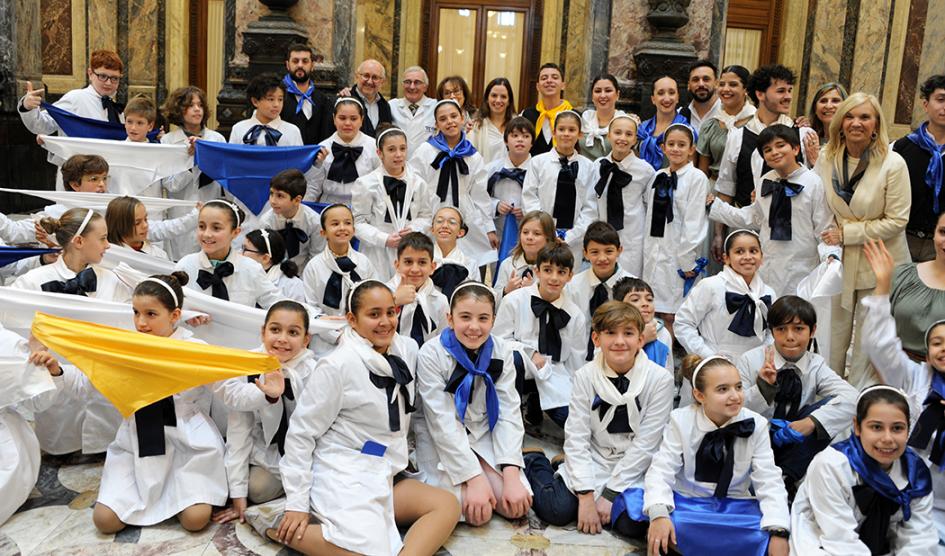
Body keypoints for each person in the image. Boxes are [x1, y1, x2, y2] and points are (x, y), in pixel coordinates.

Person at [274, 280, 460, 555]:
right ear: (352, 319)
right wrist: (297, 503)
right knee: (366, 550)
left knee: (447, 505)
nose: (385, 322)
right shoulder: (337, 365)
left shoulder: (406, 349)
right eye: (373, 314)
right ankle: (274, 524)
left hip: (386, 467)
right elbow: (302, 435)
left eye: (390, 312)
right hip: (344, 470)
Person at [46, 273, 227, 534]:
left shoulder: (195, 348)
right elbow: (85, 384)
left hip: (188, 442)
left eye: (151, 314)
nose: (141, 323)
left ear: (175, 315)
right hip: (138, 442)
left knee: (195, 521)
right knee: (105, 522)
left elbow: (227, 388)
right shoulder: (124, 347)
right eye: (135, 312)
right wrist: (57, 370)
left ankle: (188, 493)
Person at [525, 301, 674, 539]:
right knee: (558, 510)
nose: (619, 341)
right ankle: (535, 461)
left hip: (635, 464)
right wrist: (585, 496)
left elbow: (647, 444)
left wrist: (610, 494)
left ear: (640, 339)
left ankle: (569, 471)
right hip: (595, 457)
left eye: (628, 333)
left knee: (631, 524)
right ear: (596, 339)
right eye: (610, 333)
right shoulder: (586, 376)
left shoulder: (660, 380)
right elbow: (576, 435)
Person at [644, 355, 791, 556]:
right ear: (699, 395)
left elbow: (769, 479)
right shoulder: (681, 420)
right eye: (723, 389)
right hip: (689, 504)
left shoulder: (755, 424)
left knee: (763, 533)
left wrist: (778, 530)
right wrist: (659, 515)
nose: (735, 396)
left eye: (738, 387)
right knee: (658, 519)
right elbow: (662, 470)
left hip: (735, 507)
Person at [415, 282, 533, 525]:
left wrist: (510, 473)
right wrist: (474, 478)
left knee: (516, 507)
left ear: (493, 320)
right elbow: (442, 422)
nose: (474, 327)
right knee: (477, 513)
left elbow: (509, 412)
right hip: (442, 438)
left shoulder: (501, 351)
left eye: (483, 318)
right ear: (450, 318)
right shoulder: (431, 353)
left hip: (482, 431)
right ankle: (478, 468)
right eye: (465, 317)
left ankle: (525, 462)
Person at [816, 92, 911, 389]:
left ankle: (859, 401)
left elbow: (898, 220)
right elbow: (822, 207)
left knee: (867, 342)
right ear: (840, 122)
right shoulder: (826, 157)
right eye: (850, 116)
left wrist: (848, 234)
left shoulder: (893, 164)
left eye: (864, 117)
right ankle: (830, 396)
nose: (856, 123)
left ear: (876, 124)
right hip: (839, 262)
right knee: (833, 336)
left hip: (878, 261)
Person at [862, 238, 945, 543]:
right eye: (937, 343)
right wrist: (882, 288)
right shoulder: (914, 378)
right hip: (914, 499)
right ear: (926, 350)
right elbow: (880, 345)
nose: (943, 349)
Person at [789, 385, 938, 554]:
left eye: (897, 428)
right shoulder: (831, 466)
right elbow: (840, 538)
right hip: (825, 542)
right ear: (857, 427)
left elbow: (919, 536)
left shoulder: (915, 473)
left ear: (908, 430)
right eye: (876, 427)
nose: (887, 438)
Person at [737, 295, 857, 491]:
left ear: (813, 330)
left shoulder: (815, 364)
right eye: (781, 329)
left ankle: (786, 477)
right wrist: (763, 388)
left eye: (799, 329)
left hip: (796, 446)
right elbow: (735, 411)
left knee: (825, 409)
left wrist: (811, 423)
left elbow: (853, 399)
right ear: (772, 331)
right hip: (755, 441)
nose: (790, 336)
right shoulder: (750, 360)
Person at [213, 301, 316, 523]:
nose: (282, 339)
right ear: (263, 332)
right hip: (269, 449)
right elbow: (239, 430)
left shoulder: (313, 371)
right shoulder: (250, 367)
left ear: (306, 339)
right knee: (256, 490)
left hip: (309, 450)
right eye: (275, 329)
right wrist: (238, 495)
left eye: (293, 332)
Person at [708, 124, 838, 296]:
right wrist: (716, 206)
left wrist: (831, 256)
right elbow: (753, 217)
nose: (774, 152)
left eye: (780, 145)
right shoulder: (765, 181)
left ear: (796, 148)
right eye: (767, 150)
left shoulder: (814, 182)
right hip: (768, 264)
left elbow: (824, 226)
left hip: (802, 266)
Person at [494, 243, 585, 428]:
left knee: (572, 424)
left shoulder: (575, 315)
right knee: (515, 359)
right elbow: (498, 341)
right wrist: (529, 352)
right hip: (519, 369)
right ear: (537, 270)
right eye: (548, 270)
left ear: (570, 276)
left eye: (561, 272)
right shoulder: (514, 300)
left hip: (555, 376)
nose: (553, 278)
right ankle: (512, 418)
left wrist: (578, 400)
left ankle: (536, 401)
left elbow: (576, 362)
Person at [409, 99, 497, 269]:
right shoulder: (425, 151)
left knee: (469, 262)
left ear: (462, 118)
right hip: (432, 212)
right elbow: (414, 188)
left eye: (453, 116)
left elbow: (480, 196)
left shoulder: (473, 156)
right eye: (443, 119)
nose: (449, 121)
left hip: (466, 213)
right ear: (436, 124)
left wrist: (489, 228)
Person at [715, 64, 816, 210]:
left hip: (791, 224)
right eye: (781, 91)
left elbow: (813, 186)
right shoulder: (738, 136)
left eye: (789, 91)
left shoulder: (803, 134)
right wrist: (719, 233)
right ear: (760, 94)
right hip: (745, 225)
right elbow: (726, 187)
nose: (788, 97)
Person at [642, 123, 709, 335]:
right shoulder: (658, 176)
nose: (676, 149)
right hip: (655, 250)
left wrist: (686, 258)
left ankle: (672, 360)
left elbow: (694, 221)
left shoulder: (697, 178)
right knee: (652, 310)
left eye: (682, 145)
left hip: (679, 254)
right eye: (671, 144)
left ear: (691, 149)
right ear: (663, 147)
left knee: (673, 314)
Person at [675, 230, 774, 362]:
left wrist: (763, 355)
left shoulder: (769, 292)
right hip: (714, 363)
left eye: (753, 251)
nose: (747, 256)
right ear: (726, 258)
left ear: (762, 257)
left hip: (755, 365)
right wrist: (708, 356)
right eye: (739, 251)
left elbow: (773, 331)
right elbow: (683, 323)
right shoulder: (711, 286)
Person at [352, 126, 434, 281]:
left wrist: (414, 229)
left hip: (410, 251)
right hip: (376, 252)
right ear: (379, 153)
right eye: (391, 149)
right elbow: (357, 222)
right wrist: (384, 239)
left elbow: (426, 216)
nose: (398, 155)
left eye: (402, 149)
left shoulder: (418, 183)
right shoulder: (365, 184)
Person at [174, 200, 284, 308]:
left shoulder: (251, 269)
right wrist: (187, 316)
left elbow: (279, 305)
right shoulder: (185, 265)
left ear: (235, 232)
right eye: (202, 226)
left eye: (216, 228)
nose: (207, 234)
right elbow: (169, 308)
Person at [521, 110, 597, 264]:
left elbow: (590, 206)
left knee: (569, 278)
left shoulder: (588, 167)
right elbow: (529, 198)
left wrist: (571, 236)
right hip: (542, 236)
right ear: (554, 132)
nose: (566, 134)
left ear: (580, 134)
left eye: (571, 130)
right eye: (561, 129)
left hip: (573, 239)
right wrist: (545, 231)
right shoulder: (538, 162)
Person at [160, 86, 227, 259]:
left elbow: (223, 178)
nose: (197, 109)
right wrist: (193, 161)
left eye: (200, 105)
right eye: (190, 105)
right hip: (182, 213)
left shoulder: (217, 139)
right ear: (179, 110)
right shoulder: (169, 141)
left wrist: (206, 154)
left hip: (211, 208)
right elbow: (172, 185)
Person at [592, 114, 654, 276]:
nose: (622, 138)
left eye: (629, 134)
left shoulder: (645, 171)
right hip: (602, 238)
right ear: (609, 135)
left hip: (632, 238)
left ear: (635, 139)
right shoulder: (597, 166)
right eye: (618, 133)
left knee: (628, 283)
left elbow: (650, 207)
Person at [893, 74, 945, 263]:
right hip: (903, 239)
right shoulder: (903, 147)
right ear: (925, 104)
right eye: (940, 99)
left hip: (940, 245)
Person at [566, 221, 634, 361]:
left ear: (619, 250)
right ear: (585, 253)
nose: (602, 258)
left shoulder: (633, 287)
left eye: (609, 251)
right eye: (595, 252)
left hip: (619, 359)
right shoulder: (572, 286)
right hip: (578, 360)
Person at [19, 49, 124, 132]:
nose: (108, 83)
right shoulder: (76, 98)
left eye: (114, 78)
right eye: (103, 76)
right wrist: (26, 106)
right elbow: (43, 125)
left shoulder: (117, 108)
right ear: (90, 74)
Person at [301, 204, 376, 316]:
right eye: (335, 224)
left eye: (347, 223)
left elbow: (374, 296)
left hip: (362, 326)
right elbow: (311, 306)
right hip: (326, 328)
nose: (342, 228)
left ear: (354, 230)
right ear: (323, 232)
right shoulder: (314, 267)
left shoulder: (364, 262)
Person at [307, 98, 381, 204]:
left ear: (361, 120)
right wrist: (306, 207)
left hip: (364, 206)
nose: (347, 123)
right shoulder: (323, 147)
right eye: (342, 118)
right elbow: (314, 185)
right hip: (329, 206)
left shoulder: (373, 146)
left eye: (353, 118)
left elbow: (380, 182)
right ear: (334, 119)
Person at [696, 65, 755, 184]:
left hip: (746, 191)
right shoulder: (710, 125)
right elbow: (702, 171)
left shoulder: (756, 123)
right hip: (714, 189)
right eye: (722, 84)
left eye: (733, 84)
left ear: (746, 89)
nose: (725, 89)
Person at [388, 232, 449, 347]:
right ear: (397, 265)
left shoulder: (441, 301)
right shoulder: (383, 293)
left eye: (422, 262)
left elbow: (443, 340)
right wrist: (393, 302)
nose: (415, 269)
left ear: (432, 267)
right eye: (408, 262)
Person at [256, 168, 324, 271]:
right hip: (275, 273)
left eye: (280, 196)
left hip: (305, 273)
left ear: (297, 200)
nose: (273, 201)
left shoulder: (314, 222)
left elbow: (317, 255)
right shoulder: (266, 222)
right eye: (271, 194)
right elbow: (264, 256)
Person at [486, 116, 534, 243]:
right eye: (515, 135)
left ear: (532, 142)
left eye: (525, 136)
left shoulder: (539, 170)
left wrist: (528, 211)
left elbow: (546, 201)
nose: (520, 140)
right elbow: (479, 199)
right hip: (498, 233)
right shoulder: (492, 169)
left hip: (531, 235)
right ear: (506, 141)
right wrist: (495, 205)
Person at [614, 277, 675, 375]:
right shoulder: (610, 331)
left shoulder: (662, 333)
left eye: (649, 299)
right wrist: (643, 338)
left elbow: (668, 372)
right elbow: (608, 364)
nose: (645, 304)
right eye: (635, 299)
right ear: (618, 306)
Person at [493, 210, 555, 302]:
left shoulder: (554, 268)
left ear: (548, 238)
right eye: (525, 232)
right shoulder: (508, 264)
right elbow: (493, 302)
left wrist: (534, 290)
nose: (529, 237)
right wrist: (506, 291)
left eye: (537, 234)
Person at [281, 43, 334, 145]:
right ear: (288, 65)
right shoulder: (279, 97)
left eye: (305, 61)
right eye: (295, 61)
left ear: (312, 65)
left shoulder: (323, 100)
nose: (300, 65)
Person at [230, 73, 303, 147]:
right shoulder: (239, 129)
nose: (276, 105)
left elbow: (299, 158)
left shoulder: (292, 131)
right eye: (271, 99)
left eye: (280, 99)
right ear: (255, 101)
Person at [637, 75, 691, 171]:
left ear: (678, 97)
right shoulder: (642, 129)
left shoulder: (687, 130)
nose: (666, 98)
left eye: (671, 93)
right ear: (653, 99)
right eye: (661, 93)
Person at [521, 63, 573, 156]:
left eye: (555, 77)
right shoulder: (527, 115)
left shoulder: (573, 115)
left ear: (563, 85)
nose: (549, 81)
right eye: (544, 78)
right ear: (537, 86)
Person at [242, 229, 306, 303]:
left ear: (265, 258)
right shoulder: (242, 275)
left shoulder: (293, 286)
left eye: (245, 249)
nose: (240, 253)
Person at [430, 206, 477, 298]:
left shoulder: (470, 264)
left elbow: (475, 296)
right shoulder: (422, 261)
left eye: (452, 222)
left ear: (460, 232)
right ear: (432, 229)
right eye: (439, 221)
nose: (444, 226)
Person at [389, 66, 437, 155]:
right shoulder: (391, 106)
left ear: (425, 87)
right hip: (398, 162)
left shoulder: (436, 106)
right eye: (407, 82)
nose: (412, 86)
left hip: (427, 164)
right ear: (402, 85)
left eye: (417, 82)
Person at [578, 74, 627, 160]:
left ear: (617, 95)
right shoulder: (583, 120)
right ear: (592, 96)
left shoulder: (625, 122)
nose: (603, 95)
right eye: (597, 91)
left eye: (608, 91)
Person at [105, 196, 170, 260]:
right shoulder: (107, 256)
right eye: (137, 223)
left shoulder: (159, 255)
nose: (145, 225)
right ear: (120, 226)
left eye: (145, 219)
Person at [472, 77, 517, 164]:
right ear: (487, 99)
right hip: (484, 176)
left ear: (509, 101)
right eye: (494, 95)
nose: (498, 100)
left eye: (503, 97)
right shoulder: (476, 126)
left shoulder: (517, 124)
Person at [347, 59, 393, 137]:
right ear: (357, 76)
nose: (369, 81)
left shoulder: (385, 106)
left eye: (375, 77)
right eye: (366, 76)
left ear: (382, 81)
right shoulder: (344, 100)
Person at [679, 59, 722, 134]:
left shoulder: (727, 113)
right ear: (689, 85)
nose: (701, 84)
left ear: (716, 83)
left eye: (706, 79)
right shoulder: (680, 115)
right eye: (695, 80)